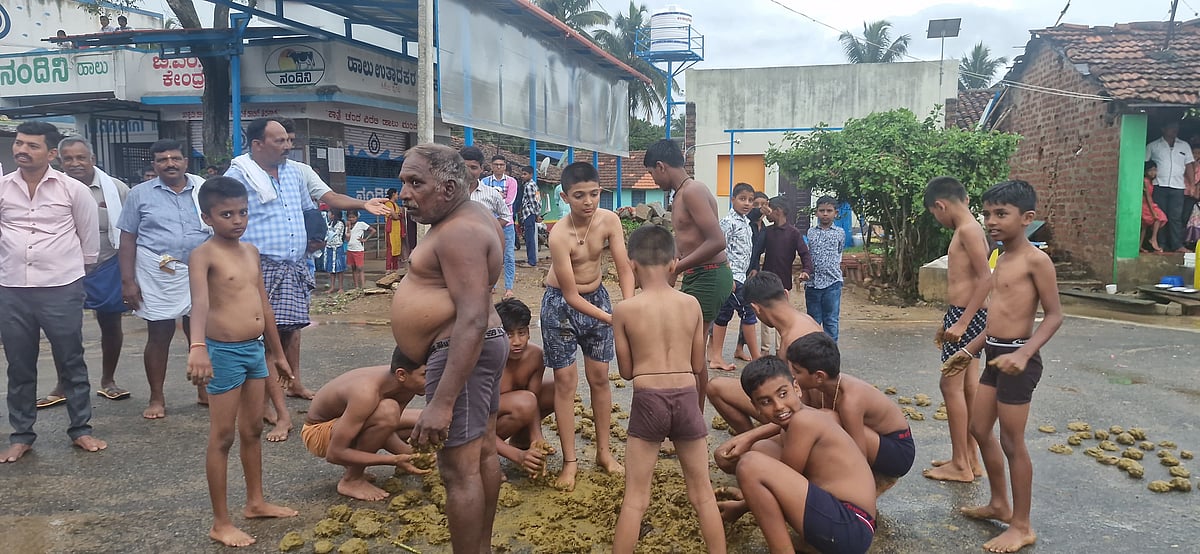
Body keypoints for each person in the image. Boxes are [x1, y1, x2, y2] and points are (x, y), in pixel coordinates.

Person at [392, 143, 508, 553]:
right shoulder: (472, 217)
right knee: (482, 454)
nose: (404, 194)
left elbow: (472, 317)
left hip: (460, 350)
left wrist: (442, 403)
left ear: (448, 188)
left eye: (415, 183)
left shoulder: (460, 231)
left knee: (459, 471)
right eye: (404, 182)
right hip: (475, 347)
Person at [943, 180, 1063, 553]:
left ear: (1027, 218)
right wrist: (969, 350)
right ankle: (999, 503)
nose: (991, 221)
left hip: (1017, 361)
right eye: (987, 214)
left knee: (1012, 442)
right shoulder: (1001, 257)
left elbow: (1054, 316)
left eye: (1001, 214)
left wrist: (1025, 354)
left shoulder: (1036, 260)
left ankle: (1022, 525)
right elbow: (996, 318)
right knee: (979, 428)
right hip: (995, 355)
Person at [186, 176, 298, 547]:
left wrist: (278, 354)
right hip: (223, 352)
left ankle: (256, 502)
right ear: (207, 217)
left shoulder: (250, 251)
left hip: (255, 349)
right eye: (227, 214)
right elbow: (199, 303)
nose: (237, 220)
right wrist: (197, 347)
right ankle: (221, 522)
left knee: (252, 430)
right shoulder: (203, 255)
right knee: (222, 436)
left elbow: (263, 303)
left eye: (243, 212)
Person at [611, 225, 726, 553]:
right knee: (703, 494)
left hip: (648, 399)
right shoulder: (691, 304)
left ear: (632, 265)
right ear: (675, 263)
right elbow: (698, 365)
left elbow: (626, 372)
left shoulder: (624, 310)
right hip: (686, 397)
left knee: (635, 499)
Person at [0, 121, 106, 463]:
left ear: (50, 154)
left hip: (61, 288)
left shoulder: (71, 190)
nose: (22, 150)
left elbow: (88, 242)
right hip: (12, 288)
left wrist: (70, 277)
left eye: (32, 146)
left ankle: (81, 429)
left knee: (71, 359)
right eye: (19, 143)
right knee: (19, 365)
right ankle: (21, 435)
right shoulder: (3, 188)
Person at [719, 356, 877, 554]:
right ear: (756, 407)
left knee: (749, 465)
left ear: (797, 388)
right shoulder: (795, 424)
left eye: (783, 394)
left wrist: (743, 505)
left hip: (851, 526)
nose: (778, 406)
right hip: (846, 520)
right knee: (761, 449)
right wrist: (744, 504)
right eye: (766, 402)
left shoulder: (804, 421)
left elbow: (781, 481)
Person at [542, 161, 635, 490]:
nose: (588, 201)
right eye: (579, 195)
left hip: (597, 297)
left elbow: (624, 267)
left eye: (594, 194)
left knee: (599, 378)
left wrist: (628, 306)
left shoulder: (609, 221)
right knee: (565, 383)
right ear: (565, 197)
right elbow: (570, 295)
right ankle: (570, 462)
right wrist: (613, 319)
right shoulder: (558, 235)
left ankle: (603, 453)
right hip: (561, 306)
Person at [225, 118, 324, 406]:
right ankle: (266, 403)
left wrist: (316, 236)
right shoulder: (237, 176)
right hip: (260, 267)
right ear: (257, 144)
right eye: (280, 140)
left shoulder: (294, 172)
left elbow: (308, 209)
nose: (288, 145)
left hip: (294, 265)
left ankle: (293, 383)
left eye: (289, 140)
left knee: (292, 329)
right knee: (264, 337)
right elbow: (225, 219)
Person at [117, 138, 211, 419]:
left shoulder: (203, 189)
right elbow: (127, 239)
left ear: (185, 162)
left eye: (175, 158)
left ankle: (204, 390)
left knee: (201, 334)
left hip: (201, 270)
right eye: (163, 160)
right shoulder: (139, 194)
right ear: (154, 164)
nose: (170, 163)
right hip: (157, 273)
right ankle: (156, 397)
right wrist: (128, 281)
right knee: (159, 334)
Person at [34, 137, 130, 408]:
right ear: (59, 161)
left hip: (107, 264)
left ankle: (108, 381)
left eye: (81, 158)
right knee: (63, 329)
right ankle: (63, 384)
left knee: (110, 324)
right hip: (64, 268)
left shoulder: (116, 189)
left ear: (93, 160)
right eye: (68, 159)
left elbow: (130, 229)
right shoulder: (49, 188)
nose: (75, 163)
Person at [645, 139, 729, 406]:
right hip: (697, 274)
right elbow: (686, 241)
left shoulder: (692, 191)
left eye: (651, 173)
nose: (653, 180)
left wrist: (677, 268)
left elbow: (717, 241)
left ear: (661, 166)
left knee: (693, 349)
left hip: (710, 274)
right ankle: (692, 412)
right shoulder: (681, 193)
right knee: (689, 346)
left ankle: (694, 416)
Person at [787, 332, 915, 495]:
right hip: (869, 437)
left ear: (819, 376)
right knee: (815, 421)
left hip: (897, 451)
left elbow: (859, 455)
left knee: (826, 418)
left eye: (797, 371)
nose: (791, 375)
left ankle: (872, 482)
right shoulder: (817, 387)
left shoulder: (850, 402)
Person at [922, 176, 989, 483]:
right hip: (965, 315)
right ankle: (970, 458)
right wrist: (950, 320)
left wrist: (962, 322)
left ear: (941, 205)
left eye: (934, 214)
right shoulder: (970, 228)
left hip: (968, 317)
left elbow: (986, 279)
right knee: (968, 386)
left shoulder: (968, 231)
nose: (937, 219)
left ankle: (961, 464)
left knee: (949, 386)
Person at [302, 348, 429, 501]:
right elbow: (335, 454)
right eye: (425, 375)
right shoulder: (365, 393)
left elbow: (388, 429)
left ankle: (355, 465)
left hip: (350, 422)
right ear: (401, 374)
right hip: (318, 433)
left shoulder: (407, 383)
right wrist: (393, 460)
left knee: (426, 420)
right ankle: (352, 479)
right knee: (388, 411)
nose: (432, 380)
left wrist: (415, 456)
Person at [706, 271, 823, 435]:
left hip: (801, 419)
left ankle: (754, 438)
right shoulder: (805, 321)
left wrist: (752, 437)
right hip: (797, 408)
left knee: (715, 388)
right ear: (786, 294)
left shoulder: (796, 341)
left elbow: (808, 405)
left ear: (756, 308)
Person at [494, 298, 555, 475]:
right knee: (525, 401)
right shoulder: (488, 362)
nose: (517, 341)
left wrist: (537, 439)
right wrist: (518, 457)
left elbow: (534, 400)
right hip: (480, 430)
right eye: (509, 335)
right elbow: (475, 424)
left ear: (529, 332)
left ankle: (522, 440)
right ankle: (484, 456)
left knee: (557, 389)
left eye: (521, 333)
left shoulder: (535, 356)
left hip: (518, 410)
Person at [709, 182, 760, 371]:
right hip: (732, 278)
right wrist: (727, 276)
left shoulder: (746, 222)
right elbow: (718, 249)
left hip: (741, 276)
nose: (747, 203)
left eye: (750, 200)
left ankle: (716, 357)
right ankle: (757, 358)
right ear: (733, 200)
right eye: (742, 199)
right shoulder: (728, 222)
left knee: (723, 315)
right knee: (748, 312)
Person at [462, 147, 514, 294]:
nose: (468, 171)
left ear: (481, 169)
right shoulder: (448, 192)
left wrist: (489, 228)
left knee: (482, 288)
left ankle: (505, 289)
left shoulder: (491, 194)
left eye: (473, 167)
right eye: (464, 167)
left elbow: (506, 216)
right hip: (457, 249)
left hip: (481, 249)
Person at [1145, 120, 1194, 253]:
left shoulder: (1184, 146)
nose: (1174, 130)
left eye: (1176, 127)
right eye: (1171, 127)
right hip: (1159, 185)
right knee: (1161, 217)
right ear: (1163, 129)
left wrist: (1192, 184)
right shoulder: (1153, 146)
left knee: (1175, 217)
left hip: (1178, 186)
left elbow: (1189, 165)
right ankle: (1161, 244)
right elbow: (1145, 164)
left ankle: (1177, 245)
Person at [734, 191, 771, 360]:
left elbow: (756, 253)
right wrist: (760, 210)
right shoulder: (746, 223)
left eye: (763, 204)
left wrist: (755, 268)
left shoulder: (764, 230)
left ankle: (740, 348)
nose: (759, 208)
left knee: (747, 310)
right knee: (725, 310)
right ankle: (713, 346)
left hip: (752, 272)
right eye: (755, 204)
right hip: (737, 271)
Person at [806, 196, 845, 342]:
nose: (825, 214)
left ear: (836, 213)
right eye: (822, 210)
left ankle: (831, 350)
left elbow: (839, 251)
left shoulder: (840, 233)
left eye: (829, 211)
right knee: (813, 321)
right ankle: (814, 350)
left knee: (831, 320)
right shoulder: (811, 232)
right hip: (813, 284)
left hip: (832, 283)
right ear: (816, 212)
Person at [761, 195, 812, 302]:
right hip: (766, 280)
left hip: (783, 282)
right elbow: (757, 251)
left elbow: (805, 253)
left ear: (778, 211)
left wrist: (806, 270)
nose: (766, 214)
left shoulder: (793, 233)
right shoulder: (767, 231)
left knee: (782, 308)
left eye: (769, 210)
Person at [482, 155, 518, 296]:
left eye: (501, 165)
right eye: (496, 164)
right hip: (489, 223)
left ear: (505, 166)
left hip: (507, 223)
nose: (498, 167)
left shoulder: (512, 182)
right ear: (491, 166)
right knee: (490, 255)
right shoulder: (484, 181)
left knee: (508, 256)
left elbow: (510, 201)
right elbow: (483, 200)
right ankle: (492, 284)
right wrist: (499, 196)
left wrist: (494, 198)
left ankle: (509, 288)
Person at [518, 165, 542, 267]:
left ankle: (531, 261)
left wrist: (536, 214)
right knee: (530, 237)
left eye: (525, 174)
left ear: (531, 175)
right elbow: (539, 200)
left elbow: (534, 202)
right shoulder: (534, 185)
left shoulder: (528, 186)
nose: (522, 176)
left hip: (529, 213)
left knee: (529, 238)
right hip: (532, 214)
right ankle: (531, 259)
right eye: (522, 174)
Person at [344, 210, 373, 290]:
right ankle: (356, 286)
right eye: (350, 217)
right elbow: (347, 238)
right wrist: (348, 228)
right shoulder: (347, 227)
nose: (351, 219)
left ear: (357, 217)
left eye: (353, 217)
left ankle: (363, 285)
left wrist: (365, 239)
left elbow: (373, 230)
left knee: (360, 268)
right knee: (353, 268)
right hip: (350, 249)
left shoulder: (361, 224)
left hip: (358, 249)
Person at [1142, 162, 1167, 253]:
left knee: (1144, 227)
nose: (1153, 173)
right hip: (1145, 205)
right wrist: (1152, 212)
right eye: (1150, 170)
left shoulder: (1150, 181)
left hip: (1149, 204)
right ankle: (1153, 238)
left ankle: (1140, 245)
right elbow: (1148, 197)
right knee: (1158, 217)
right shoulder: (1145, 181)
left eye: (1155, 170)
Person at [322, 209, 346, 293]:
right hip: (329, 248)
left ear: (334, 215)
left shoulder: (340, 224)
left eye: (330, 213)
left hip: (337, 248)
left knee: (339, 268)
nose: (328, 215)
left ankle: (341, 287)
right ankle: (332, 287)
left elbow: (333, 233)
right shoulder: (330, 223)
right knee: (331, 269)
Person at [384, 188, 406, 269]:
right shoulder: (388, 204)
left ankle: (395, 268)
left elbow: (399, 214)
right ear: (393, 194)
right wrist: (397, 215)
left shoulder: (395, 205)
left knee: (397, 249)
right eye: (397, 194)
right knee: (391, 249)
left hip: (397, 230)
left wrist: (397, 215)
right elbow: (395, 216)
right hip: (391, 230)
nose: (398, 196)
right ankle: (388, 268)